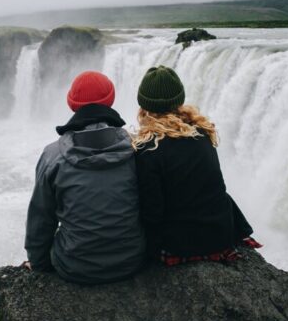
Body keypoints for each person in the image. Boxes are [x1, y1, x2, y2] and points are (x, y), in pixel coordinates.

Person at [24, 71, 146, 284]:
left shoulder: (53, 156)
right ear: (111, 100)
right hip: (132, 261)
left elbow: (41, 218)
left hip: (74, 266)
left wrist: (39, 263)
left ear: (72, 104)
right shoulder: (138, 149)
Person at [132, 65, 261, 266]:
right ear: (179, 101)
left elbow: (153, 213)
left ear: (144, 107)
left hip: (181, 244)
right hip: (221, 235)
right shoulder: (202, 133)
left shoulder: (148, 150)